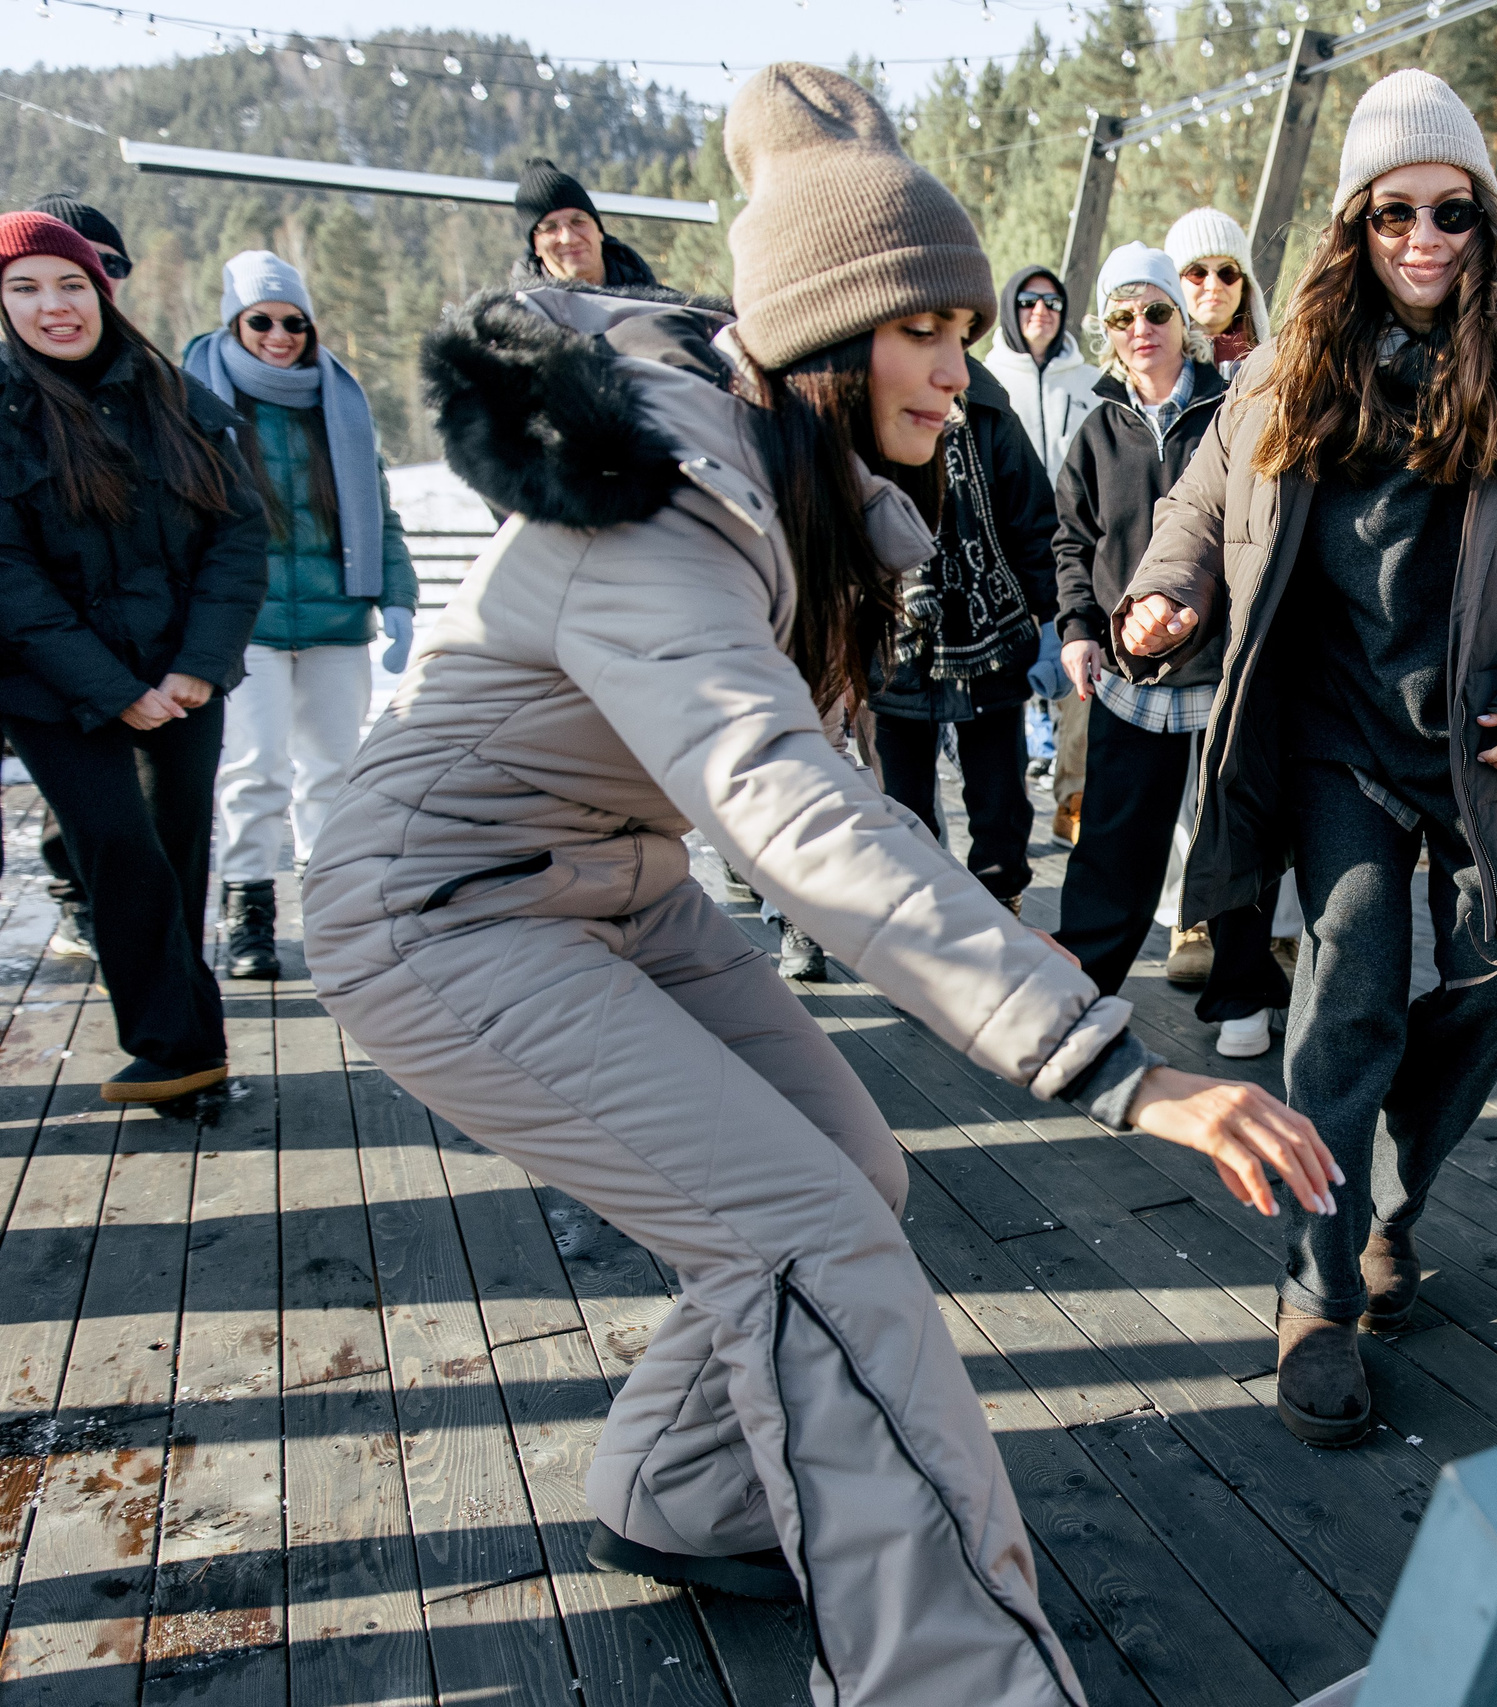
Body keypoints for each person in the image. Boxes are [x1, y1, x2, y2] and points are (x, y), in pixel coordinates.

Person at [303, 66, 1338, 1707]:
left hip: (610, 887)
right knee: (805, 1242)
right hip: (446, 905)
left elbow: (830, 784)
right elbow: (776, 799)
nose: (959, 360)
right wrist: (1111, 1063)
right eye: (922, 325)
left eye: (968, 323)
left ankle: (678, 1490)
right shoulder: (660, 500)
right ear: (823, 329)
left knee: (850, 1167)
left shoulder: (809, 491)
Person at [1119, 68, 1497, 1444]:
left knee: (1496, 980)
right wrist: (1169, 581)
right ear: (1353, 229)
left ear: (1487, 216)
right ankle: (1317, 1287)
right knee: (1349, 990)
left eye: (1451, 210)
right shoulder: (1296, 362)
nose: (1422, 238)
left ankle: (1390, 1205)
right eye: (1390, 214)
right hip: (1340, 736)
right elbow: (1201, 491)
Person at [0, 214, 265, 1102]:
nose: (54, 306)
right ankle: (178, 1041)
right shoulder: (4, 411)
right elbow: (9, 578)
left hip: (182, 672)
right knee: (117, 845)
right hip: (53, 686)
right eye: (25, 288)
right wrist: (113, 690)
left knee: (178, 850)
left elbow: (237, 537)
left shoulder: (177, 398)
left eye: (70, 284)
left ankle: (186, 1050)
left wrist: (200, 662)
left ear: (101, 290)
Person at [1052, 243, 1291, 1059]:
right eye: (1121, 316)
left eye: (1155, 310)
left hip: (1226, 662)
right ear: (1107, 331)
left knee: (1237, 829)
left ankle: (1241, 995)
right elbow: (1071, 543)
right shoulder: (1096, 429)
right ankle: (1082, 991)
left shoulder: (1233, 405)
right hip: (1133, 668)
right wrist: (1080, 630)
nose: (1140, 328)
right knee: (1117, 837)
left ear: (1180, 322)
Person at [182, 251, 417, 980]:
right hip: (241, 624)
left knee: (334, 771)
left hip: (333, 622)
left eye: (294, 321)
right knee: (254, 771)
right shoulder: (195, 400)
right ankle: (248, 911)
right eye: (262, 320)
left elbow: (380, 511)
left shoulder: (337, 404)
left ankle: (332, 911)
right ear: (235, 321)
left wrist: (398, 597)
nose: (279, 335)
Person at [857, 315, 1058, 938]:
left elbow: (1033, 522)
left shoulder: (991, 411)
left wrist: (1042, 619)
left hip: (990, 637)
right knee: (902, 797)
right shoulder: (868, 411)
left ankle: (1000, 902)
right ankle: (921, 914)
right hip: (895, 638)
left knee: (999, 796)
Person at [19, 195, 135, 961]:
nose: (91, 282)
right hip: (40, 628)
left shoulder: (139, 370)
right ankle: (75, 895)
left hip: (131, 615)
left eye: (106, 267)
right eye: (34, 282)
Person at [983, 264, 1101, 845]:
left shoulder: (1090, 382)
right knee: (1011, 686)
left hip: (1077, 553)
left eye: (1053, 302)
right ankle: (1004, 818)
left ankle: (1072, 795)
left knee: (1080, 675)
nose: (1041, 311)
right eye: (1028, 300)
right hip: (1007, 557)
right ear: (1010, 307)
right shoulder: (982, 378)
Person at [510, 157, 660, 290]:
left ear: (600, 231)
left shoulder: (663, 307)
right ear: (535, 247)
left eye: (578, 221)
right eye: (550, 228)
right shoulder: (517, 316)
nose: (569, 238)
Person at [1163, 206, 1270, 372]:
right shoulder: (1154, 367)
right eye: (1197, 273)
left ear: (1244, 283)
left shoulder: (1274, 365)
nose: (1213, 286)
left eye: (1227, 273)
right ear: (1175, 284)